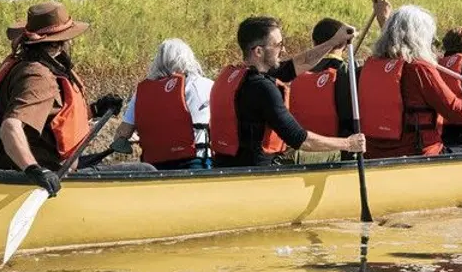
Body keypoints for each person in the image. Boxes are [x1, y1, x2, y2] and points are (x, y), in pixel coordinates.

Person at [0, 2, 124, 197]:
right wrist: (35, 171)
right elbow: (9, 129)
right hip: (42, 179)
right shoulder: (39, 77)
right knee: (148, 170)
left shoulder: (28, 65)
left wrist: (95, 109)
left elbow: (54, 118)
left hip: (43, 171)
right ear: (60, 42)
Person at [210, 16, 366, 169]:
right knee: (338, 154)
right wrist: (349, 144)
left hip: (225, 164)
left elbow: (298, 63)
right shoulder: (263, 88)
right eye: (278, 45)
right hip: (260, 169)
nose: (283, 49)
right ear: (258, 51)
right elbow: (299, 139)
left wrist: (333, 41)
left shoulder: (233, 75)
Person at [357, 3, 462, 158]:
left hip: (372, 154)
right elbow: (458, 113)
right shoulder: (418, 68)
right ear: (421, 37)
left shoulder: (368, 66)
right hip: (418, 153)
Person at [110, 39, 213, 170]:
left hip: (153, 167)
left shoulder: (141, 93)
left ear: (157, 61)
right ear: (189, 59)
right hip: (193, 164)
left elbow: (122, 134)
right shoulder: (201, 84)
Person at [290, 18, 358, 164]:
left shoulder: (296, 72)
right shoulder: (348, 72)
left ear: (314, 43)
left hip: (304, 150)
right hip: (339, 152)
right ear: (344, 44)